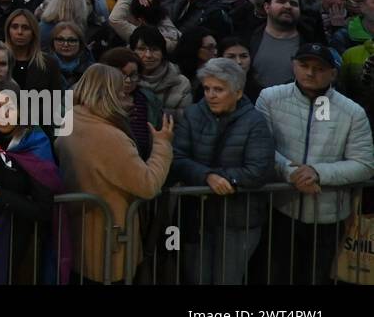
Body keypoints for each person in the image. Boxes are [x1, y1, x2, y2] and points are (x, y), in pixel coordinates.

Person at [255, 42, 374, 284]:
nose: (310, 72)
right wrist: (292, 174)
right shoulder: (269, 98)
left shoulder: (352, 112)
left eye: (319, 68)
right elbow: (261, 148)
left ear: (333, 73)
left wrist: (317, 173)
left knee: (316, 279)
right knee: (276, 275)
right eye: (304, 65)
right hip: (280, 210)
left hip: (330, 217)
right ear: (293, 65)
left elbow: (364, 165)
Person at [56, 64, 174, 283]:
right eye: (122, 91)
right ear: (110, 93)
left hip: (81, 240)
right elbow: (148, 185)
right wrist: (163, 145)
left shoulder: (72, 121)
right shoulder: (108, 136)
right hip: (109, 246)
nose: (127, 94)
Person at [170, 58, 274, 285]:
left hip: (238, 219)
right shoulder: (193, 114)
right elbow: (177, 159)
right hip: (196, 217)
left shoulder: (255, 121)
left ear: (237, 93)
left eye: (218, 89)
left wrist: (224, 178)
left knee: (228, 279)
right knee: (196, 277)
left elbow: (259, 170)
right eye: (207, 89)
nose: (211, 95)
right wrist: (207, 177)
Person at [0, 81, 63, 284]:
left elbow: (44, 210)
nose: (3, 114)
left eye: (10, 107)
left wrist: (0, 195)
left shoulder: (37, 142)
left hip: (23, 245)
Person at [3, 8, 63, 94]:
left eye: (26, 28)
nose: (19, 32)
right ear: (8, 30)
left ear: (33, 32)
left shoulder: (49, 63)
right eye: (15, 27)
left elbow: (56, 100)